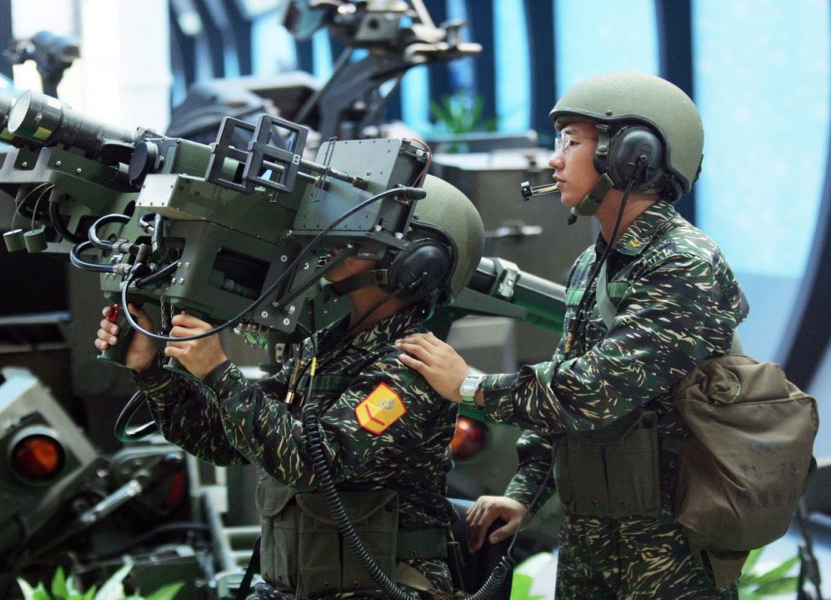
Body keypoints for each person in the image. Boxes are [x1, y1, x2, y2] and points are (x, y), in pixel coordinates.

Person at [396, 71, 749, 599]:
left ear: (633, 155)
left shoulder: (683, 265)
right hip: (592, 538)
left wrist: (469, 386)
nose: (554, 159)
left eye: (572, 141)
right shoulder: (593, 263)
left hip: (669, 550)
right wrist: (524, 496)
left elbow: (593, 390)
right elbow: (561, 409)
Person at [94, 176, 485, 600]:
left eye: (362, 224)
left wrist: (219, 371)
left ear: (417, 260)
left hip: (386, 586)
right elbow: (225, 442)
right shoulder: (325, 347)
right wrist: (151, 368)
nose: (333, 235)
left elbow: (314, 464)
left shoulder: (414, 363)